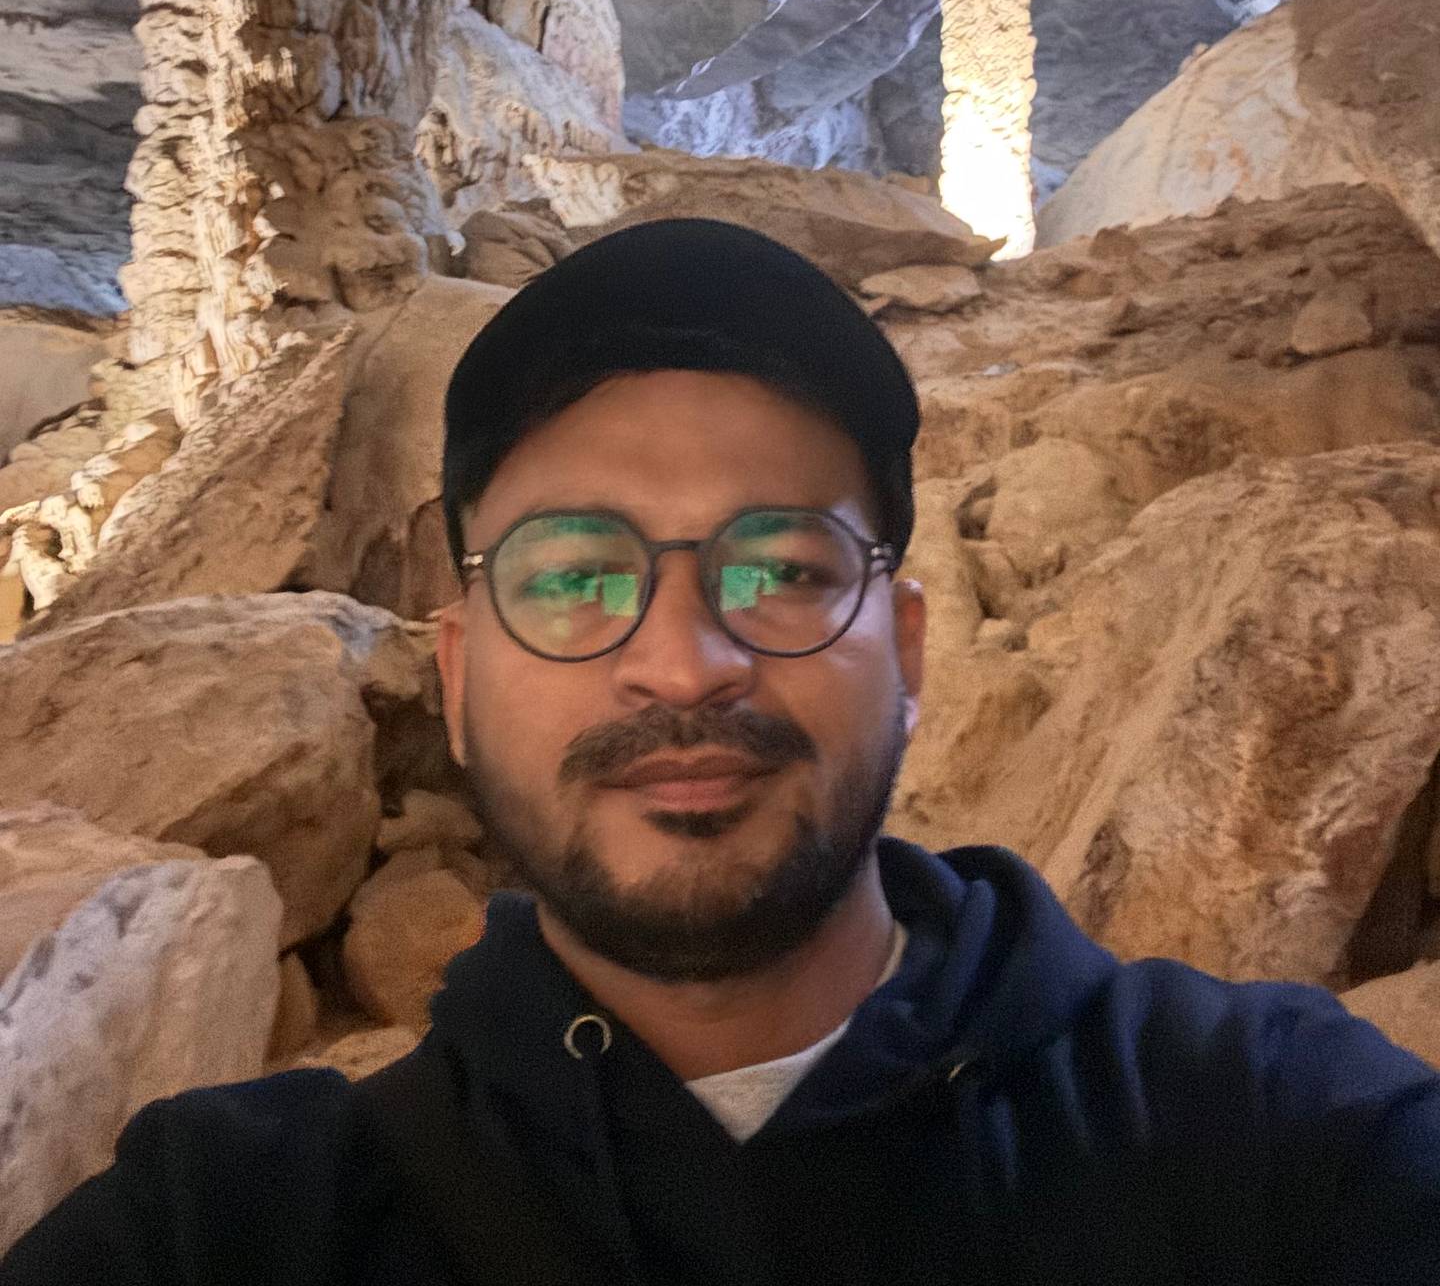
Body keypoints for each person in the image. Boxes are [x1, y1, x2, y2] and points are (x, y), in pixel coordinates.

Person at [4, 216, 1440, 1285]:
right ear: (457, 675)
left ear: (911, 650)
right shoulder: (232, 1228)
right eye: (574, 577)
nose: (686, 662)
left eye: (785, 570)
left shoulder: (1268, 1135)